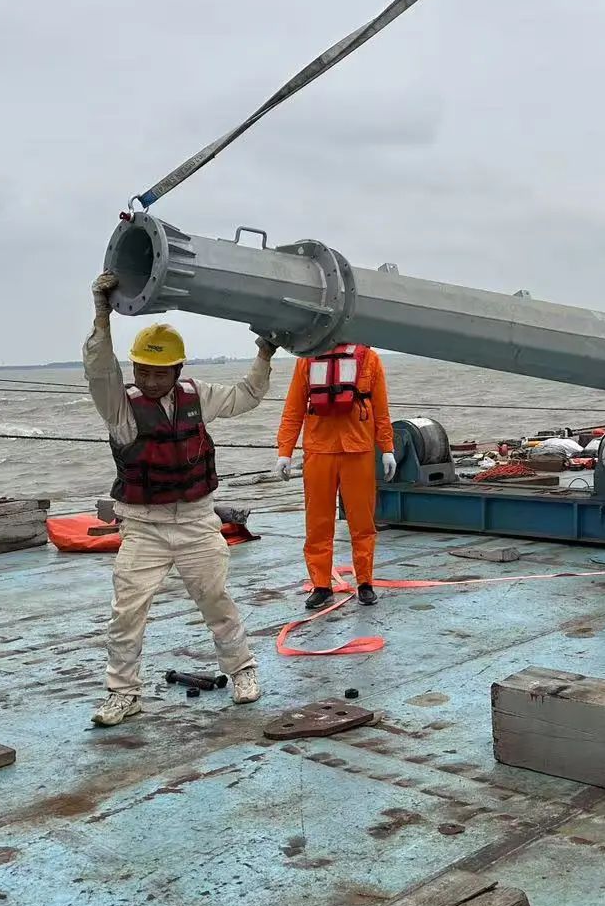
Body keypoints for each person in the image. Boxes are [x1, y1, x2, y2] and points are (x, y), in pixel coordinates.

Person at [86, 272, 274, 728]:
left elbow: (248, 395)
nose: (149, 380)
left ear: (177, 370)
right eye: (142, 371)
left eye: (159, 372)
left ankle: (242, 670)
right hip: (143, 526)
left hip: (195, 521)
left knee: (215, 600)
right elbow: (99, 368)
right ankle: (123, 693)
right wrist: (102, 313)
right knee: (126, 613)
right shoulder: (118, 405)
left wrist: (265, 352)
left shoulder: (198, 396)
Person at [276, 341, 396, 611]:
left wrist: (387, 448)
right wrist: (285, 451)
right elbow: (294, 408)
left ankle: (365, 583)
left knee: (362, 522)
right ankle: (321, 586)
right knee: (317, 524)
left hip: (359, 450)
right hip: (319, 450)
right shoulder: (306, 359)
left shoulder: (370, 359)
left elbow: (381, 407)